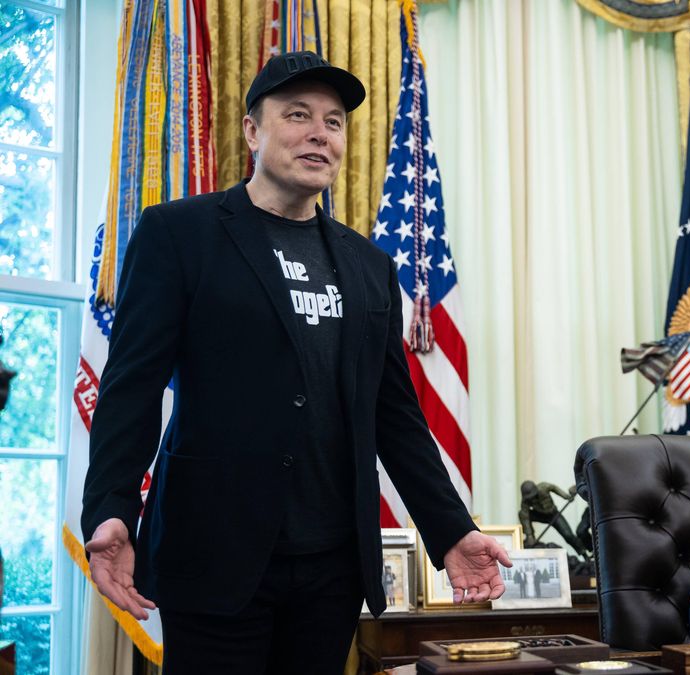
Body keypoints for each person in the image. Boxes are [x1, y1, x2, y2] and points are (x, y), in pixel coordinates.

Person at [81, 51, 510, 673]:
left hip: (331, 570)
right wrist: (112, 505)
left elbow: (393, 415)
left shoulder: (370, 266)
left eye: (334, 122)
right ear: (253, 131)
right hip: (214, 555)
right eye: (298, 115)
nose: (319, 134)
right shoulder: (180, 234)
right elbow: (131, 388)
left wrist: (450, 529)